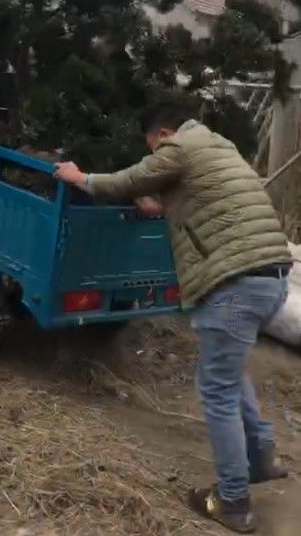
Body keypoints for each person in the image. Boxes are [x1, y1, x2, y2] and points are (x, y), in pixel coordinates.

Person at [55, 102, 291, 534]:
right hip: (270, 276)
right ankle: (261, 459)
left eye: (151, 147)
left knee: (216, 389)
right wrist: (160, 205)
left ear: (162, 134)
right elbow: (203, 203)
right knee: (228, 374)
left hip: (235, 284)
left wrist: (79, 178)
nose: (153, 154)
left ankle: (233, 501)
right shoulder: (219, 146)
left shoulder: (179, 147)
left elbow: (128, 180)